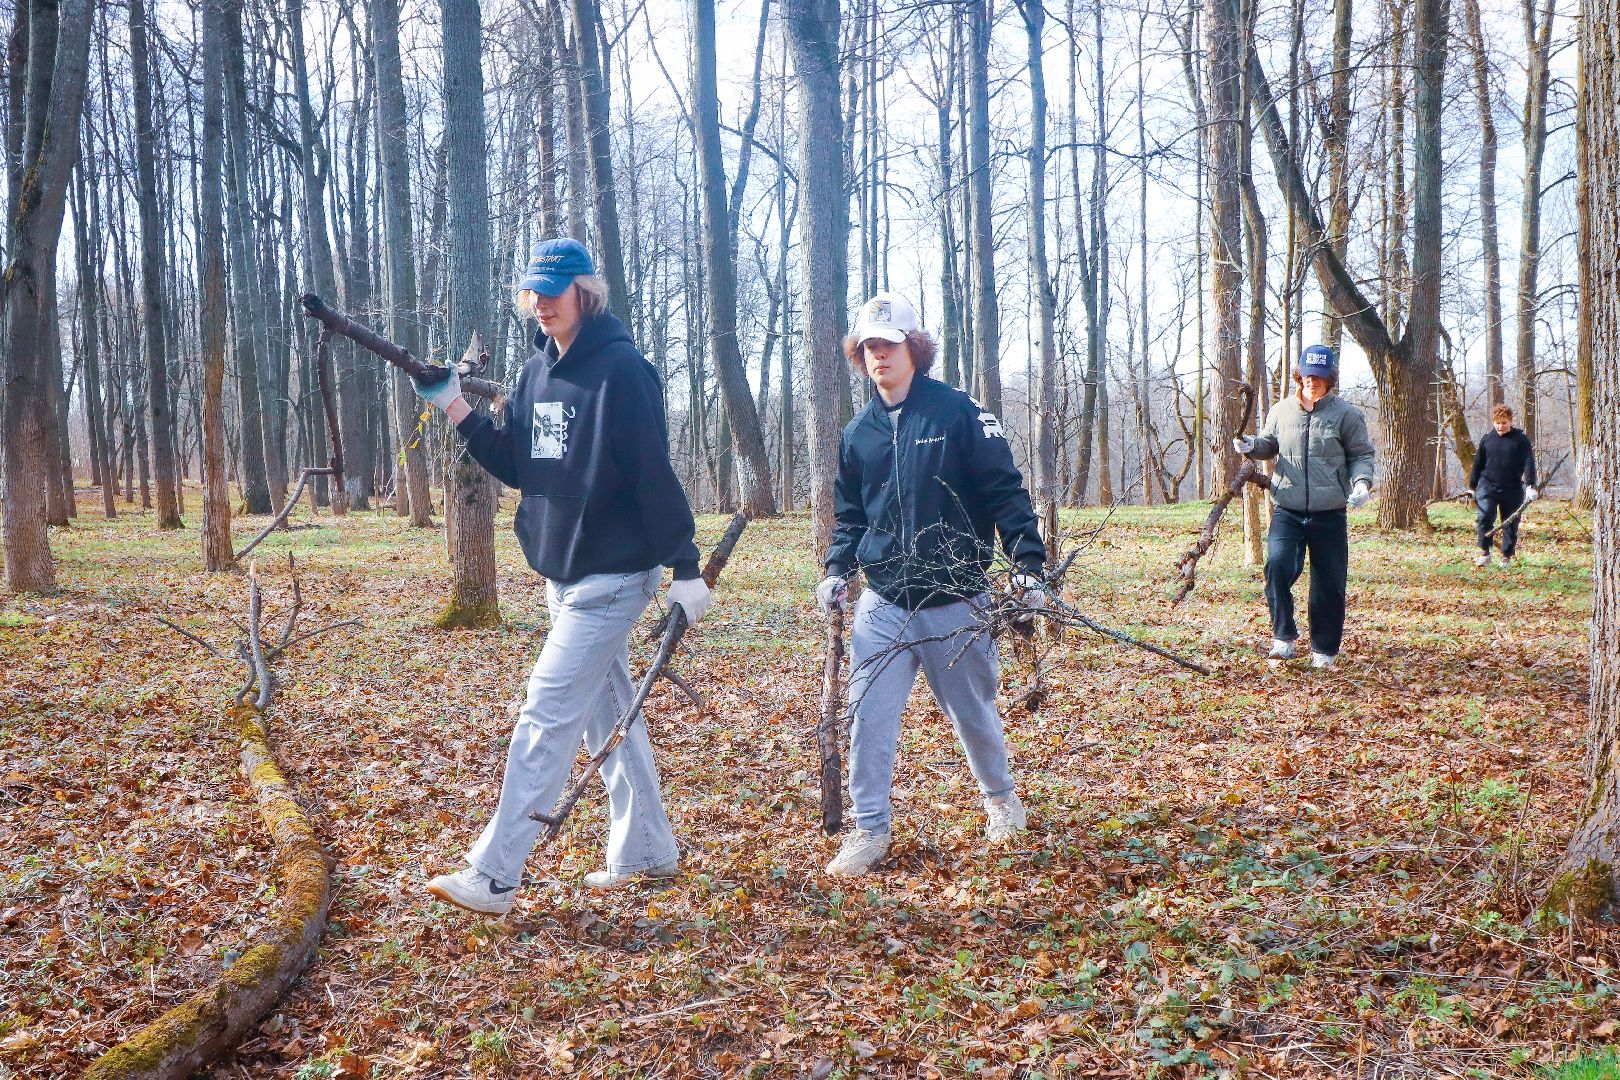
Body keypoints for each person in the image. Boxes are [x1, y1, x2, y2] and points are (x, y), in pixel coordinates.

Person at [413, 238, 710, 915]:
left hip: (613, 575)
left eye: (555, 289)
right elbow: (517, 463)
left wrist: (685, 567)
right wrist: (456, 406)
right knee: (607, 713)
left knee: (546, 712)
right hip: (562, 576)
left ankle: (494, 875)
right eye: (533, 292)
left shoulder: (623, 372)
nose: (542, 303)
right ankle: (646, 851)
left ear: (586, 292)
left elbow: (651, 474)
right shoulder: (533, 374)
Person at [815, 292, 1048, 878]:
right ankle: (868, 829)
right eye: (869, 346)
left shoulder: (956, 413)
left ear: (914, 348)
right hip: (885, 598)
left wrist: (1027, 564)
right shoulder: (859, 432)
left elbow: (1004, 491)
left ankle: (1001, 800)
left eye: (890, 345)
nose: (879, 357)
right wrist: (838, 569)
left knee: (972, 709)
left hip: (956, 598)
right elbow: (850, 513)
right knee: (867, 716)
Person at [1234, 344, 1375, 670]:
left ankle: (1324, 652)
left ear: (1329, 379)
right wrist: (1251, 446)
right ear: (1300, 375)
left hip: (1330, 513)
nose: (1313, 381)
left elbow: (1361, 456)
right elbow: (1269, 445)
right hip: (1288, 508)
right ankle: (1283, 638)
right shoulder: (1281, 411)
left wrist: (1362, 483)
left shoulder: (1347, 415)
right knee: (1278, 568)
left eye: (1320, 376)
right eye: (1308, 375)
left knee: (1329, 582)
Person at [1469, 403, 1538, 567]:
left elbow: (1529, 462)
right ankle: (1485, 553)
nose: (1500, 426)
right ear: (1493, 422)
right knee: (1484, 517)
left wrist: (1530, 485)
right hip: (1488, 486)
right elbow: (1478, 464)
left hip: (1512, 488)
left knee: (1510, 522)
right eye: (1497, 423)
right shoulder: (1487, 439)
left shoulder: (1521, 440)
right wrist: (1472, 486)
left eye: (1504, 423)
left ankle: (1506, 556)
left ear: (1511, 421)